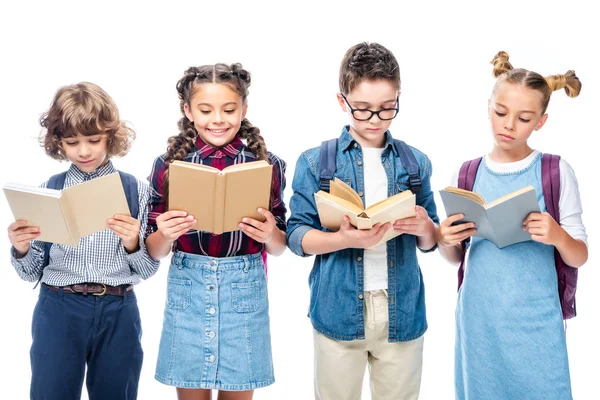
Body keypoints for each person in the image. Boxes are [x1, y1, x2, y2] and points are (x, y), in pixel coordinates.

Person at [287, 42, 439, 399]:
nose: (375, 120)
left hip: (401, 310)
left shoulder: (415, 163)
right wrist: (344, 240)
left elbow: (431, 240)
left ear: (398, 97)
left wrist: (425, 228)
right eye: (363, 110)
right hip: (337, 309)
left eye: (387, 109)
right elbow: (296, 236)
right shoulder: (315, 162)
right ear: (343, 102)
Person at [437, 51, 588, 399]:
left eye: (523, 118)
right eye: (501, 113)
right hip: (478, 319)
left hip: (536, 319)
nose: (508, 125)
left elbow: (579, 255)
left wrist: (557, 234)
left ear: (541, 121)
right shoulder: (467, 173)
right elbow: (455, 257)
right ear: (488, 107)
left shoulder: (555, 171)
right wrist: (446, 239)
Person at [7, 82, 159, 400]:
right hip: (58, 307)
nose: (84, 151)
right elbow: (30, 273)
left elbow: (146, 270)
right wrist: (21, 249)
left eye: (94, 140)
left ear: (110, 137)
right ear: (59, 142)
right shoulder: (48, 190)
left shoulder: (136, 191)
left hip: (118, 308)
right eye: (72, 142)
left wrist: (133, 242)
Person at [145, 63, 287, 400]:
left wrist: (269, 234)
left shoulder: (267, 163)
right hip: (188, 286)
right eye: (206, 110)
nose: (218, 119)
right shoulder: (168, 164)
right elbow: (153, 250)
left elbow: (281, 245)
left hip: (244, 287)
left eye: (229, 109)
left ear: (244, 109)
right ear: (188, 111)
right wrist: (165, 233)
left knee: (238, 388)